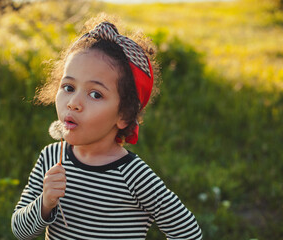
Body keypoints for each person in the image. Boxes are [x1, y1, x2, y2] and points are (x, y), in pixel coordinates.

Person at [11, 15, 202, 240]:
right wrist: (44, 204)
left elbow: (187, 232)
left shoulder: (134, 176)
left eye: (95, 94)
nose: (73, 103)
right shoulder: (50, 158)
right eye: (68, 87)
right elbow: (20, 232)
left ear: (124, 115)